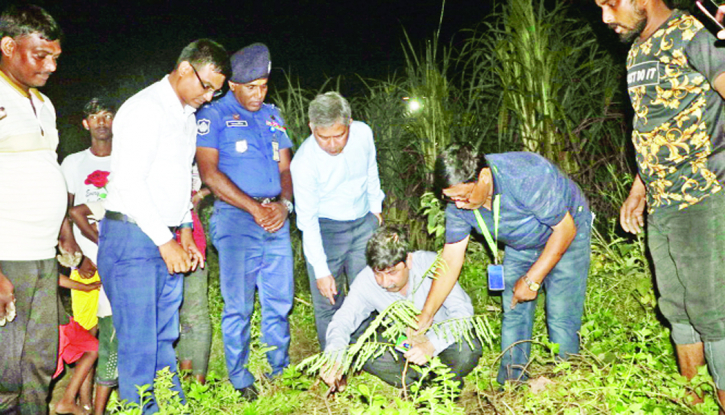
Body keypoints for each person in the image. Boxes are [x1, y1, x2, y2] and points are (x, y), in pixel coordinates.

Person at [596, 0, 725, 411]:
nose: (606, 18)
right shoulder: (637, 50)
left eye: (610, 4)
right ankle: (695, 403)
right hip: (663, 203)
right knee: (677, 309)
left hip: (705, 195)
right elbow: (650, 127)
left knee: (713, 312)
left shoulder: (694, 34)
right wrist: (640, 189)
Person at [97, 39, 229, 413]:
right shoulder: (145, 109)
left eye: (216, 91)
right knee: (138, 344)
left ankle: (171, 406)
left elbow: (183, 178)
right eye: (207, 86)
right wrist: (163, 240)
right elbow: (128, 181)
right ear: (185, 69)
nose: (209, 97)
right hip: (133, 238)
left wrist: (185, 230)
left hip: (166, 235)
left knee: (163, 336)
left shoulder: (185, 116)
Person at [416, 146, 592, 386]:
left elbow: (565, 229)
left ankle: (569, 382)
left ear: (484, 178)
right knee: (513, 310)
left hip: (567, 230)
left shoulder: (525, 175)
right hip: (522, 243)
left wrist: (532, 279)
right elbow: (450, 259)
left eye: (464, 197)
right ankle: (512, 382)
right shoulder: (459, 205)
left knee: (561, 314)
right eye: (451, 198)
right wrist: (426, 315)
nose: (458, 205)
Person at [196, 42, 293, 401]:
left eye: (264, 85)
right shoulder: (213, 115)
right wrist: (254, 209)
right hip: (237, 219)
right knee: (238, 304)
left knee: (279, 300)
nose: (258, 93)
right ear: (233, 85)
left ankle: (278, 369)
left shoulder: (273, 115)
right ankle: (239, 376)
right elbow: (209, 173)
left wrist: (284, 204)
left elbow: (285, 167)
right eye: (251, 87)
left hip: (276, 218)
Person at [322, 226, 482, 391]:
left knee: (468, 351)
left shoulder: (432, 265)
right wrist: (334, 356)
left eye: (392, 272)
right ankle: (420, 385)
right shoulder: (366, 280)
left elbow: (463, 313)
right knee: (365, 354)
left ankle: (443, 380)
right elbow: (343, 320)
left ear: (408, 261)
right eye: (378, 274)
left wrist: (431, 344)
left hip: (444, 337)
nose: (385, 282)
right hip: (403, 342)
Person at [0, 5, 65, 414]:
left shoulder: (43, 103)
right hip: (9, 253)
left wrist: (63, 232)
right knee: (5, 368)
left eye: (56, 57)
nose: (51, 66)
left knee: (39, 361)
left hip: (43, 254)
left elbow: (44, 168)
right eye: (41, 55)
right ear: (8, 46)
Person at [290, 91, 385, 350]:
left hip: (363, 222)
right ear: (312, 128)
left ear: (350, 123)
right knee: (328, 300)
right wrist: (321, 271)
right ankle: (334, 362)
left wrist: (376, 207)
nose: (332, 144)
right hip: (326, 229)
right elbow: (307, 221)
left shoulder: (363, 133)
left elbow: (370, 169)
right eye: (323, 137)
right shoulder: (304, 163)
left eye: (339, 135)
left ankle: (369, 357)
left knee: (366, 292)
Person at [175, 165, 212, 385]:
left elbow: (222, 168)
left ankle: (197, 386)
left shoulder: (193, 145)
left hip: (192, 244)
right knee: (176, 318)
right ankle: (182, 379)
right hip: (157, 246)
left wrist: (200, 194)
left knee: (195, 315)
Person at [54, 274, 101, 415]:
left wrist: (86, 287)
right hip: (47, 320)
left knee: (91, 347)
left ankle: (80, 405)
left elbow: (52, 273)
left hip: (58, 318)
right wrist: (86, 287)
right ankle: (72, 403)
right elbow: (52, 273)